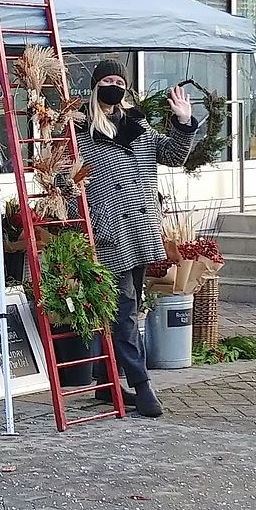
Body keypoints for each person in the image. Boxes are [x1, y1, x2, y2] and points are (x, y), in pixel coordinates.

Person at [74, 58, 201, 419]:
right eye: (107, 80)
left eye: (119, 79)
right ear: (95, 86)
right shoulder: (81, 130)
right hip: (110, 232)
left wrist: (182, 121)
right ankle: (143, 387)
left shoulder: (138, 126)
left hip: (141, 230)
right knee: (125, 313)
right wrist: (84, 212)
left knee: (128, 309)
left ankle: (106, 380)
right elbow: (67, 181)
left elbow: (173, 156)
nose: (114, 85)